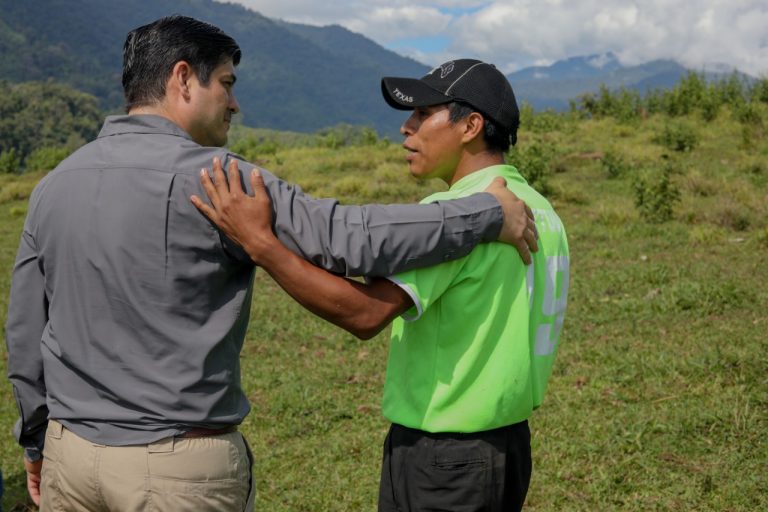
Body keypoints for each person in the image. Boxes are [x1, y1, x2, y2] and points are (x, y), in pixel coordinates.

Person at [4, 16, 538, 512]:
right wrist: (486, 213)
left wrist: (35, 441)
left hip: (70, 457)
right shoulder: (218, 180)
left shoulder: (52, 186)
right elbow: (348, 238)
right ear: (183, 79)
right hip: (175, 469)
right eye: (227, 84)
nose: (235, 105)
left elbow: (25, 332)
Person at [193, 59, 569, 511]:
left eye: (422, 114)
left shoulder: (462, 216)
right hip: (509, 447)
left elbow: (365, 313)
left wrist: (261, 244)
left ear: (471, 126)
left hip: (444, 457)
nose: (406, 128)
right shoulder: (542, 210)